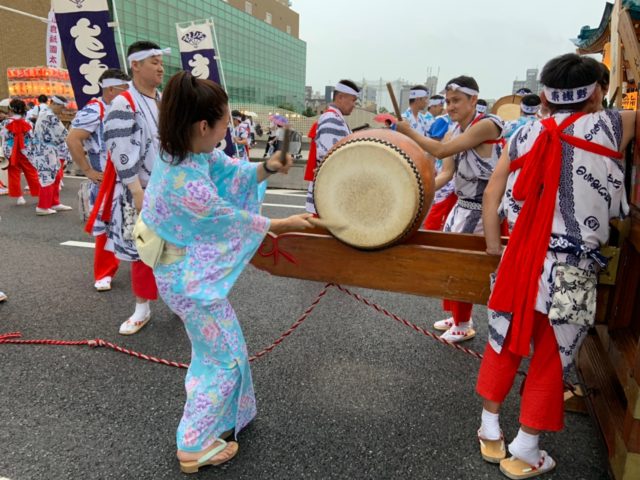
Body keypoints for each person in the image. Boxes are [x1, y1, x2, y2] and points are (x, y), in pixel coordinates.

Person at [140, 71, 314, 473]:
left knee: (214, 352)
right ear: (204, 126)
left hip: (181, 271)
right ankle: (193, 444)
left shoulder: (186, 153)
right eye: (223, 122)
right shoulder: (185, 182)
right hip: (188, 282)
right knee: (224, 359)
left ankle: (218, 420)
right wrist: (281, 225)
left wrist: (268, 166)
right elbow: (229, 218)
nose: (227, 129)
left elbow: (231, 173)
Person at [475, 53, 633, 479]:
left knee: (502, 338)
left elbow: (493, 194)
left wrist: (494, 245)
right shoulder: (616, 124)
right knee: (552, 353)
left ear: (544, 94)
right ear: (596, 92)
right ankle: (525, 450)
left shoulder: (522, 134)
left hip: (519, 256)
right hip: (574, 266)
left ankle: (490, 430)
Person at [397, 75, 504, 342]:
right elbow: (446, 172)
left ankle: (465, 322)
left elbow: (442, 151)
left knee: (464, 266)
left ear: (474, 100)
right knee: (450, 262)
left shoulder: (487, 125)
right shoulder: (455, 129)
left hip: (484, 209)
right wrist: (419, 187)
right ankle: (457, 316)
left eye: (456, 100)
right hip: (462, 207)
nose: (450, 106)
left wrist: (409, 131)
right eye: (447, 101)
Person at [100, 40, 169, 335]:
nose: (160, 67)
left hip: (168, 188)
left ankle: (179, 301)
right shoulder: (123, 102)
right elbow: (120, 150)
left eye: (161, 62)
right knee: (143, 250)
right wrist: (137, 193)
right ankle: (142, 308)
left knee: (176, 248)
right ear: (135, 65)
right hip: (139, 190)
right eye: (153, 61)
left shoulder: (162, 99)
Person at [67, 68, 130, 292]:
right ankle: (104, 272)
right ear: (111, 89)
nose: (128, 91)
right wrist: (87, 170)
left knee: (135, 224)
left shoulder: (126, 107)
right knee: (106, 227)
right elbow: (73, 139)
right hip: (106, 179)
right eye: (125, 87)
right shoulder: (95, 109)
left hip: (130, 178)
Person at [305, 79, 359, 213]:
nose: (354, 105)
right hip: (328, 196)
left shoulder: (335, 118)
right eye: (353, 100)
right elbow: (329, 160)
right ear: (340, 97)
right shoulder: (332, 119)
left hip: (329, 194)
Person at [30, 95, 72, 215]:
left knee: (56, 175)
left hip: (45, 149)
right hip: (46, 150)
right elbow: (64, 134)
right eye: (61, 106)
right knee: (48, 177)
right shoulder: (50, 116)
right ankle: (43, 206)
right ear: (53, 103)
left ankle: (54, 202)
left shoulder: (44, 113)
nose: (62, 109)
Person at [0, 99, 40, 206]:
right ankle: (40, 194)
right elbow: (32, 137)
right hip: (25, 149)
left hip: (11, 150)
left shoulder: (5, 122)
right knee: (31, 172)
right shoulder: (28, 123)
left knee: (13, 174)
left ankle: (19, 197)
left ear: (11, 110)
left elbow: (3, 136)